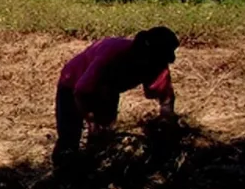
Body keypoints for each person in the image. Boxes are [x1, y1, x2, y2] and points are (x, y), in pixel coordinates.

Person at [54, 26, 178, 164]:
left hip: (108, 89)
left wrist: (167, 119)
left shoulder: (157, 63)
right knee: (69, 136)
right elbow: (81, 90)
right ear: (148, 53)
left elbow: (166, 97)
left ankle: (92, 168)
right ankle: (62, 173)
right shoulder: (112, 54)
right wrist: (91, 120)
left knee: (104, 135)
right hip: (72, 83)